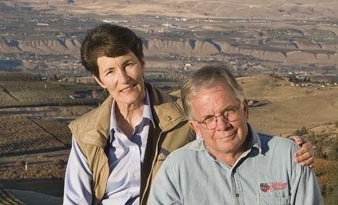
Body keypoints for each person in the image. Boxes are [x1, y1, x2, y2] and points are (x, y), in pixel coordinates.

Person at [63, 24, 315, 205]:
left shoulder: (184, 116)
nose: (124, 79)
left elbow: (230, 131)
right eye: (110, 72)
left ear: (141, 62)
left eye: (128, 65)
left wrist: (290, 148)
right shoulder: (87, 134)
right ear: (98, 80)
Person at [148, 65, 323, 205]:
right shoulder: (177, 169)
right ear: (195, 128)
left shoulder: (290, 158)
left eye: (229, 111)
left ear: (244, 109)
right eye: (209, 118)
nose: (222, 125)